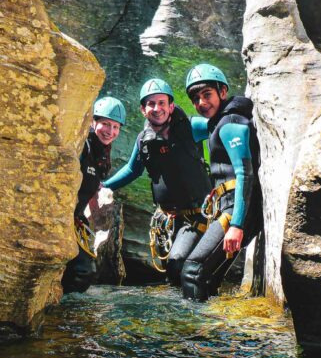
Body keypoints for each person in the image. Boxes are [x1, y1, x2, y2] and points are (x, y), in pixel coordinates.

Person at [103, 78, 212, 285]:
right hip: (167, 219)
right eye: (151, 104)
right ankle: (180, 314)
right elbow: (132, 170)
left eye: (162, 103)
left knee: (177, 262)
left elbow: (221, 128)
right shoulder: (144, 139)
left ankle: (193, 312)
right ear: (143, 110)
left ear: (171, 106)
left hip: (197, 215)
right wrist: (103, 187)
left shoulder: (192, 127)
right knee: (172, 274)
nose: (157, 108)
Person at [181, 63, 263, 301]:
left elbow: (244, 174)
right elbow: (189, 125)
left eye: (207, 95)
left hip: (236, 211)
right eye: (196, 98)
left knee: (192, 271)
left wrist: (236, 225)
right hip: (231, 209)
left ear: (223, 92)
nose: (201, 103)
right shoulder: (217, 124)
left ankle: (193, 331)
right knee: (208, 278)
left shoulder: (230, 124)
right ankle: (214, 331)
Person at [61, 96, 126, 293]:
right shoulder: (83, 147)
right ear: (93, 121)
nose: (110, 131)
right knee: (82, 271)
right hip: (64, 217)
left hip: (74, 218)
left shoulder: (101, 152)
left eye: (115, 127)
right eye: (105, 124)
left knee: (85, 270)